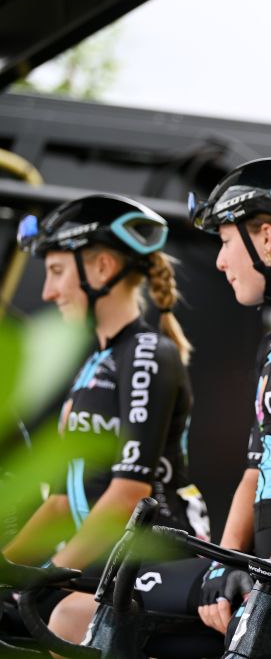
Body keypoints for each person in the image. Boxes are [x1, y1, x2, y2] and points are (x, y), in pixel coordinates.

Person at [48, 158, 271, 653]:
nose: (219, 261)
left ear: (266, 237)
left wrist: (270, 578)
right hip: (268, 563)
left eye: (224, 240)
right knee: (75, 612)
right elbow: (251, 470)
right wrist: (226, 560)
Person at [5, 194, 209, 631]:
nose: (47, 291)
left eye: (57, 271)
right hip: (101, 552)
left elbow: (127, 495)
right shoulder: (94, 362)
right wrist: (7, 568)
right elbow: (61, 501)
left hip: (156, 552)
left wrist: (45, 577)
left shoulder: (147, 352)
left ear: (102, 268)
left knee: (62, 616)